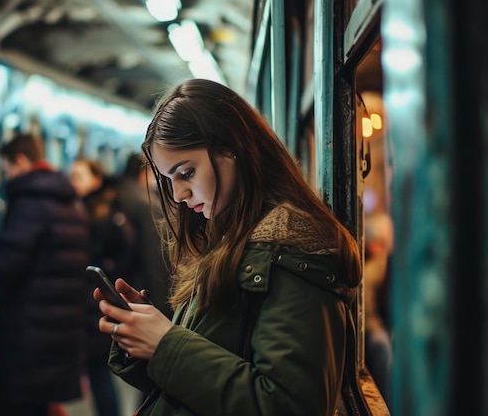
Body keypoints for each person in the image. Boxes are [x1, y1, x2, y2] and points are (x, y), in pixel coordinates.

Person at [93, 78, 371, 416]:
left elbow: (288, 405)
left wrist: (165, 343)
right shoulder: (230, 239)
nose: (178, 196)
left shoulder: (291, 250)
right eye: (169, 180)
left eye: (187, 172)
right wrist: (145, 343)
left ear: (231, 149)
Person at [0, 132, 91, 416]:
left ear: (21, 161)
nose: (6, 176)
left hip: (29, 332)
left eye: (7, 168)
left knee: (17, 404)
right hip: (58, 329)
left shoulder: (29, 203)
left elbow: (9, 265)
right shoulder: (71, 201)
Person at [69, 158, 135, 416]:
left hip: (94, 306)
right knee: (99, 373)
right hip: (95, 305)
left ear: (96, 180)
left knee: (99, 373)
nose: (73, 183)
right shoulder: (104, 210)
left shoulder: (98, 216)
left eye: (79, 177)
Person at [115, 153, 172, 318]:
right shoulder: (147, 204)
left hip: (120, 278)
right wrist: (161, 305)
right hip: (140, 283)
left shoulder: (118, 193)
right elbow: (153, 255)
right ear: (144, 171)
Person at [363, 210, 394, 401]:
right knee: (381, 343)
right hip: (375, 330)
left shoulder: (384, 264)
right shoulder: (376, 267)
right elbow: (368, 315)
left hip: (382, 327)